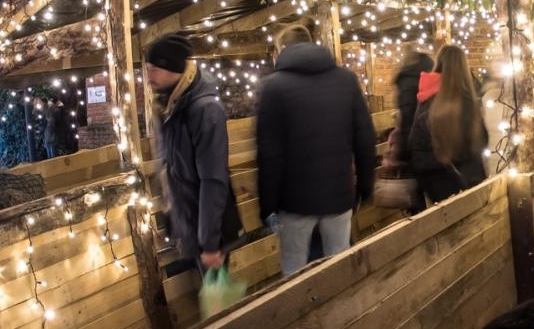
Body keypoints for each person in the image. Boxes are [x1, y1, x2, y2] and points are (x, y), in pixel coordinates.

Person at [256, 29, 377, 277]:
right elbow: (365, 137)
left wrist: (267, 206)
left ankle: (302, 314)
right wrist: (366, 186)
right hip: (339, 194)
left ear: (281, 50)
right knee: (340, 267)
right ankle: (344, 313)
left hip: (294, 201)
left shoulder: (273, 87)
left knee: (295, 273)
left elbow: (269, 154)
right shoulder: (345, 79)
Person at [143, 32, 241, 272]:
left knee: (220, 302)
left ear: (173, 68)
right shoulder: (168, 106)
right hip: (188, 224)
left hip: (207, 230)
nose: (148, 74)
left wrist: (209, 243)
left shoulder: (204, 110)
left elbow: (213, 178)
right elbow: (169, 167)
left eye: (154, 68)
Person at [409, 44, 488, 204]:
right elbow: (482, 142)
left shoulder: (425, 99)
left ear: (438, 64)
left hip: (437, 189)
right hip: (470, 185)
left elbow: (415, 148)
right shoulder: (469, 103)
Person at [391, 46, 434, 165]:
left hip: (416, 146)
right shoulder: (432, 71)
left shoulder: (407, 81)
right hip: (433, 144)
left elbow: (407, 116)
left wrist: (402, 153)